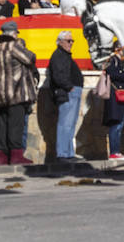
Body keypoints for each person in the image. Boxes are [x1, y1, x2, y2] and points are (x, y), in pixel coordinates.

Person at [0, 21, 38, 164]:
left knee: (3, 125)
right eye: (16, 33)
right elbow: (30, 58)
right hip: (16, 92)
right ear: (12, 33)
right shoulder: (13, 46)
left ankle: (2, 156)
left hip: (0, 93)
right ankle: (16, 155)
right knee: (16, 125)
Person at [48, 30, 84, 161]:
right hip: (67, 93)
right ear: (60, 42)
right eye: (69, 41)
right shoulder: (58, 55)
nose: (71, 43)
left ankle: (68, 153)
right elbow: (58, 76)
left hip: (72, 92)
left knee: (70, 124)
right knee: (65, 124)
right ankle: (63, 154)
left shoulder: (64, 55)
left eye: (72, 41)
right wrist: (70, 87)